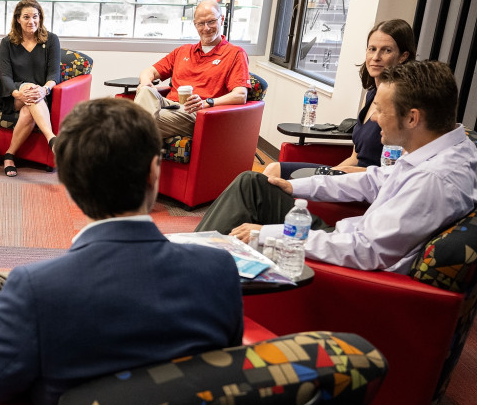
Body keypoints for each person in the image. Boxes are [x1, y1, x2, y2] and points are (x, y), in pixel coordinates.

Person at [0, 97, 244, 405]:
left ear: (70, 185)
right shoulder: (219, 268)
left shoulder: (36, 288)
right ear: (153, 172)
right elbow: (226, 369)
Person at [196, 60, 477, 273]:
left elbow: (366, 252)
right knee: (254, 183)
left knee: (250, 204)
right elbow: (372, 181)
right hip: (347, 237)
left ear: (413, 118)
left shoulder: (434, 180)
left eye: (381, 109)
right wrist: (295, 186)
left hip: (349, 264)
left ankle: (185, 271)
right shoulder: (450, 148)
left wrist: (267, 234)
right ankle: (191, 261)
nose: (374, 118)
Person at [264, 19, 417, 179]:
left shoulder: (405, 103)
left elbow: (398, 172)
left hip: (369, 185)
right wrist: (328, 177)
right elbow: (354, 158)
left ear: (403, 56)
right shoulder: (370, 95)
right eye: (372, 49)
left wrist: (337, 176)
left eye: (386, 50)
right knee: (272, 171)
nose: (376, 57)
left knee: (273, 173)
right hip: (350, 178)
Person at [136, 0, 250, 139]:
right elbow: (149, 72)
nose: (206, 28)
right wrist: (145, 82)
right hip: (170, 105)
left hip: (197, 112)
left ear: (222, 20)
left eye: (211, 21)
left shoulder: (235, 54)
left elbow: (240, 95)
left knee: (135, 122)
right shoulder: (182, 51)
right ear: (195, 24)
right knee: (145, 91)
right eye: (201, 23)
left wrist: (207, 102)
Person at [0, 0, 61, 177]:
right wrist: (18, 93)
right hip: (13, 94)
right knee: (30, 90)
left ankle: (9, 156)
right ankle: (52, 139)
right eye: (26, 17)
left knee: (28, 111)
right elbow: (6, 75)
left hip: (40, 95)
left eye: (35, 16)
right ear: (18, 19)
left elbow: (54, 75)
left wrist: (45, 89)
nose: (31, 21)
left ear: (40, 18)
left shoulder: (51, 40)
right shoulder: (7, 42)